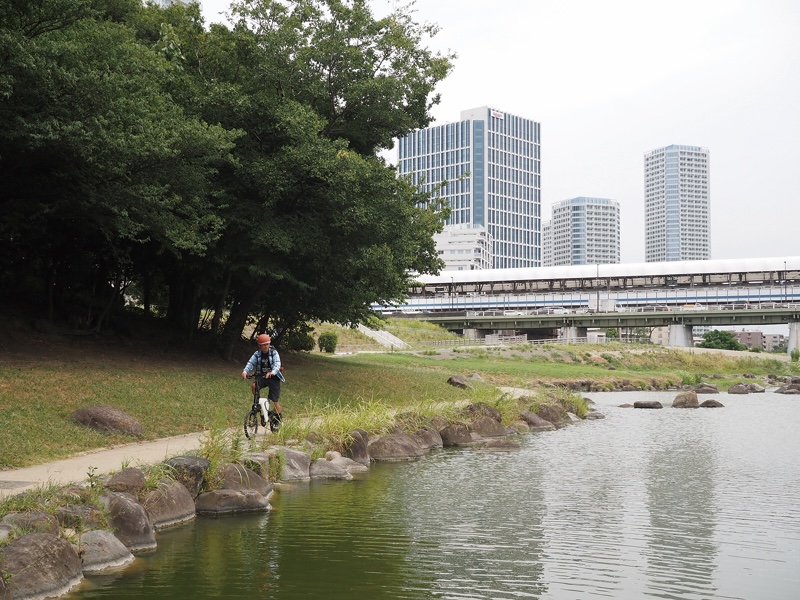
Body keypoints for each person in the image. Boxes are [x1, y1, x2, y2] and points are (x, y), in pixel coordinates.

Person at [241, 333, 285, 427]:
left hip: (273, 378)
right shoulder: (257, 354)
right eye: (263, 345)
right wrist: (245, 372)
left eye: (267, 344)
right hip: (262, 377)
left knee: (275, 401)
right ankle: (259, 404)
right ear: (259, 346)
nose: (265, 347)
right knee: (254, 386)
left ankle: (278, 419)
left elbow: (277, 363)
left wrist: (272, 372)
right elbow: (251, 363)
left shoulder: (273, 352)